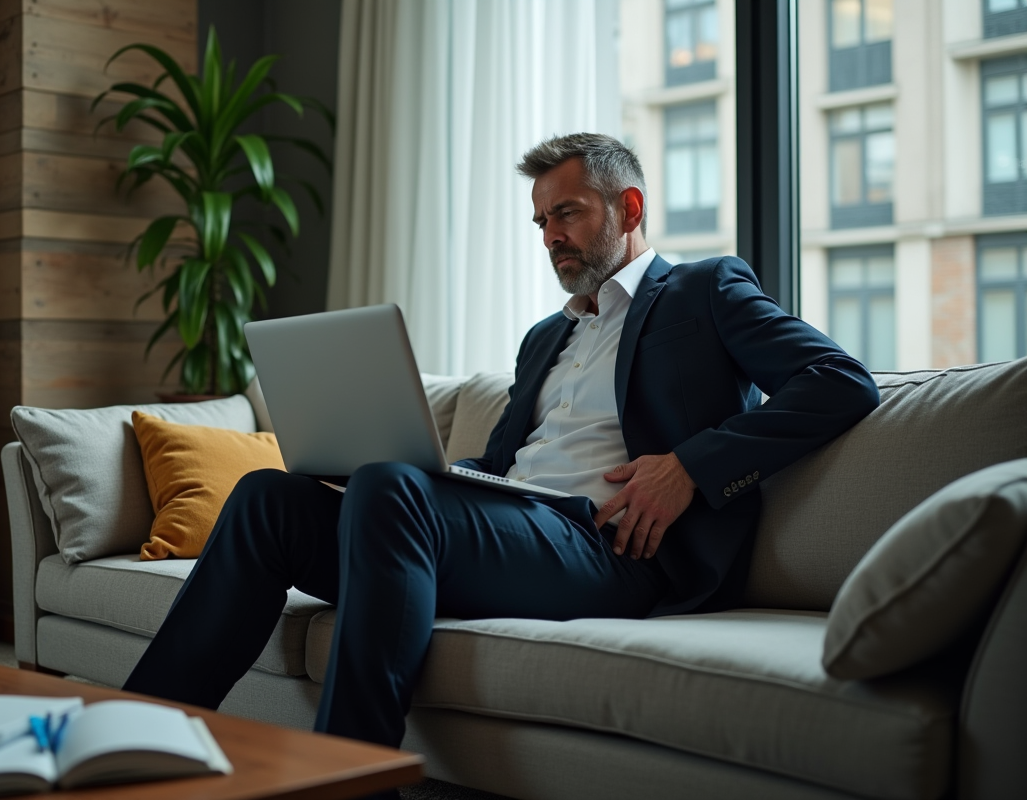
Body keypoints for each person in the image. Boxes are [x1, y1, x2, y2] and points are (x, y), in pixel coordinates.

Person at [123, 133, 879, 774]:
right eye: (542, 220)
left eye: (568, 214)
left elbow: (839, 381)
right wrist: (391, 465)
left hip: (610, 548)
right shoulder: (544, 338)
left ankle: (347, 778)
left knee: (392, 491)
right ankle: (133, 738)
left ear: (630, 209)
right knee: (268, 499)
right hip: (510, 528)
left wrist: (690, 468)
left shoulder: (705, 292)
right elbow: (504, 465)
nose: (551, 234)